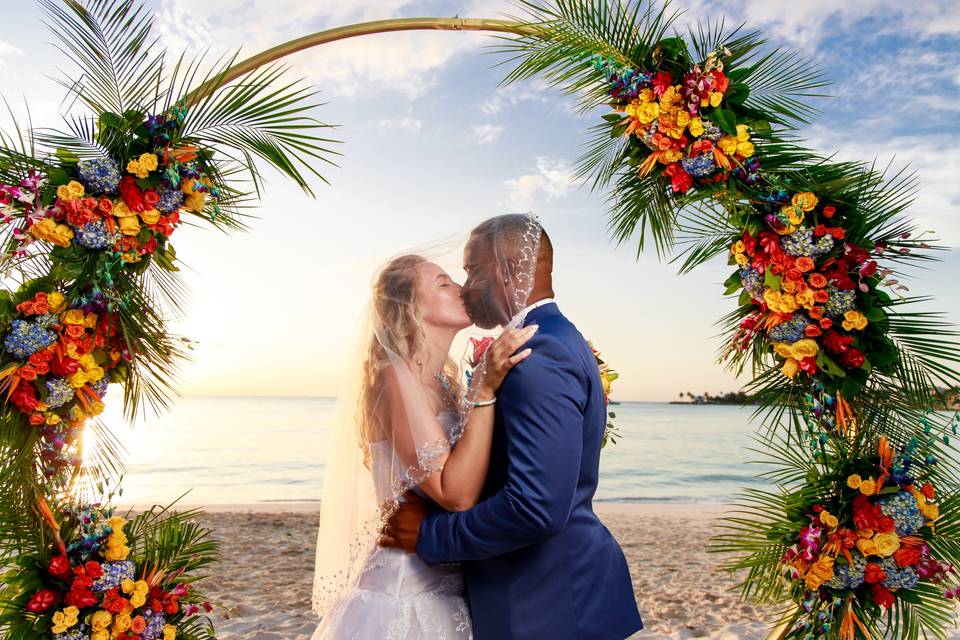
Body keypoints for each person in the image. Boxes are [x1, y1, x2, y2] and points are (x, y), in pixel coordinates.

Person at [380, 214, 644, 639]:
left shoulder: (536, 355)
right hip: (551, 595)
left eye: (471, 269)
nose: (466, 286)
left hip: (546, 604)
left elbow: (535, 508)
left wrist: (430, 534)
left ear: (506, 270)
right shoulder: (547, 341)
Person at [310, 249, 537, 639]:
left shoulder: (447, 384)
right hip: (403, 596)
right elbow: (455, 493)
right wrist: (486, 388)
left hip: (450, 584)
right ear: (410, 307)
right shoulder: (393, 379)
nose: (461, 288)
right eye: (443, 283)